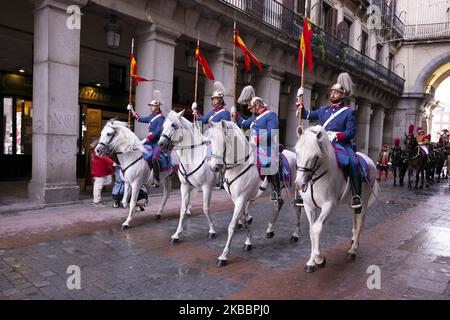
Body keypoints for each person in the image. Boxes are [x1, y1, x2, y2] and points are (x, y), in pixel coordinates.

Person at [296, 83, 362, 210]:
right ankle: (301, 191)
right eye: (332, 92)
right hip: (324, 144)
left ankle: (356, 195)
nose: (332, 94)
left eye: (336, 92)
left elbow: (351, 132)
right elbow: (305, 114)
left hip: (341, 144)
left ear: (342, 95)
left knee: (353, 163)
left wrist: (337, 136)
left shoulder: (349, 112)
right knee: (305, 158)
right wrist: (299, 100)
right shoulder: (323, 110)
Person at [231, 95, 283, 207]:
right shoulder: (254, 118)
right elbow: (244, 123)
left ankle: (276, 191)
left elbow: (272, 132)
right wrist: (236, 115)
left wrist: (258, 139)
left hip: (266, 146)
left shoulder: (271, 115)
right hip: (252, 146)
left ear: (257, 105)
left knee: (267, 161)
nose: (250, 110)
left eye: (252, 107)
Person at [132, 90, 165, 187]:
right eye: (151, 105)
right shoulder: (151, 116)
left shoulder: (161, 118)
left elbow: (157, 132)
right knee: (137, 151)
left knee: (154, 159)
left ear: (158, 107)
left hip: (157, 143)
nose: (151, 107)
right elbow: (140, 119)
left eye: (153, 106)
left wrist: (146, 139)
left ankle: (157, 179)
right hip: (149, 142)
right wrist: (132, 111)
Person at [90, 140, 116, 207]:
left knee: (98, 185)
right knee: (98, 186)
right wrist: (113, 163)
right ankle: (96, 202)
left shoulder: (96, 150)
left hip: (99, 170)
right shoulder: (98, 151)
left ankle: (96, 200)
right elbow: (104, 158)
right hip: (99, 171)